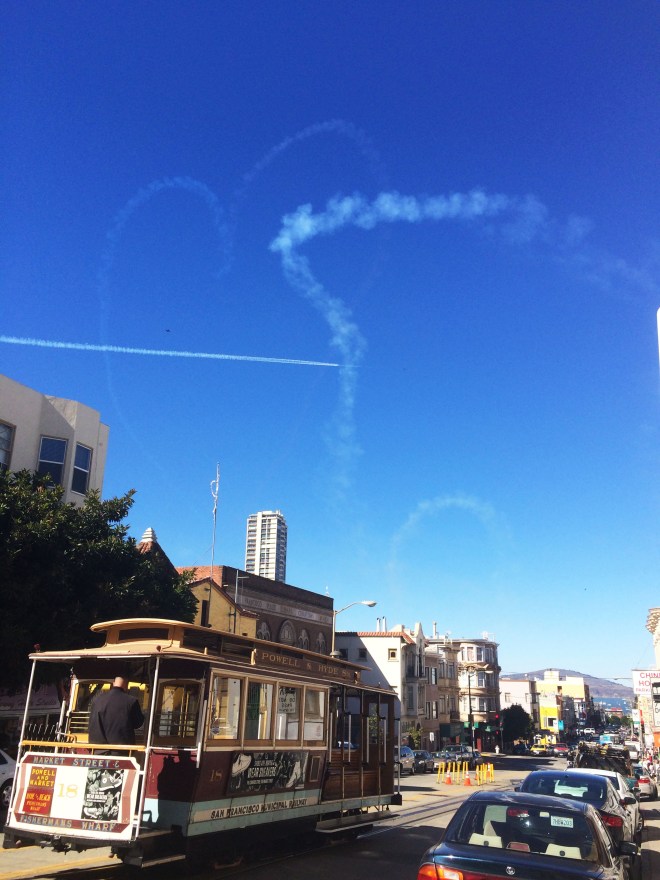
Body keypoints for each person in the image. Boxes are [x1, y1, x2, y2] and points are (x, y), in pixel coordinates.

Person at [88, 676, 144, 746]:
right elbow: (138, 724)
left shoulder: (97, 700)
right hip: (122, 749)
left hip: (97, 749)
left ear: (113, 683)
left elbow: (92, 722)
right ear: (127, 685)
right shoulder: (131, 701)